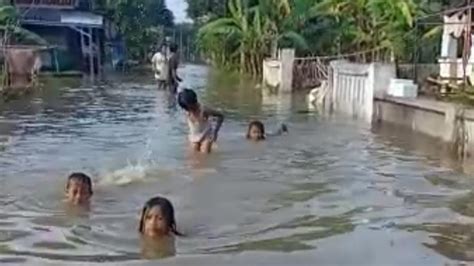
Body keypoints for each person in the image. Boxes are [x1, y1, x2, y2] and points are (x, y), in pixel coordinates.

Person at [178, 89, 224, 153]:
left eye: (191, 107)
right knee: (193, 154)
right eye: (187, 108)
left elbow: (221, 116)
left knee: (204, 153)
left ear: (194, 102)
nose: (190, 110)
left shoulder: (204, 110)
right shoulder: (187, 111)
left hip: (206, 135)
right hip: (194, 136)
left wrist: (215, 132)